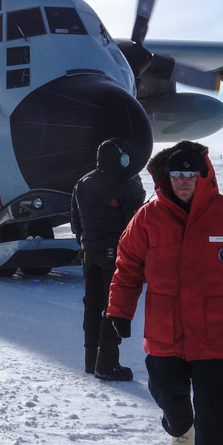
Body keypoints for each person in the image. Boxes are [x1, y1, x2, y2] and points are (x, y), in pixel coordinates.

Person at [99, 140, 223, 445]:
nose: (184, 180)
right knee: (166, 391)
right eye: (177, 173)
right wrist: (119, 310)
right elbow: (128, 267)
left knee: (214, 403)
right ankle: (180, 428)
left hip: (220, 328)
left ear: (202, 175)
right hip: (165, 327)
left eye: (191, 173)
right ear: (167, 177)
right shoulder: (148, 217)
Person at [70, 138, 147, 380]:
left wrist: (85, 242)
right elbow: (134, 224)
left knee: (91, 306)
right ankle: (107, 364)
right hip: (114, 254)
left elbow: (75, 220)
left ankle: (91, 361)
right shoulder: (127, 185)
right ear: (122, 158)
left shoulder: (83, 182)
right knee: (112, 307)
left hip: (89, 252)